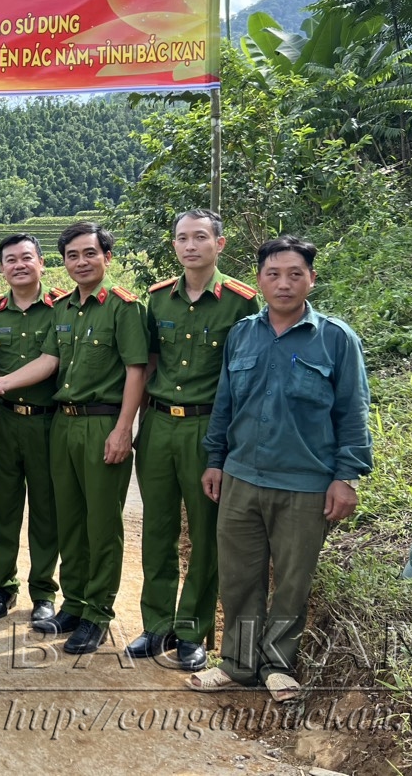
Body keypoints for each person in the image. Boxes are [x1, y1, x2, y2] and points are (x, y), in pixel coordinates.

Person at [191, 235, 371, 702]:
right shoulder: (243, 333)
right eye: (273, 274)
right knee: (239, 576)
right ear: (259, 280)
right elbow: (225, 404)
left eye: (295, 274)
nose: (284, 283)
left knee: (292, 579)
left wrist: (345, 476)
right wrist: (216, 460)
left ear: (311, 278)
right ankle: (238, 664)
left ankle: (276, 664)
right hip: (242, 477)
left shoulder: (335, 338)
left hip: (305, 484)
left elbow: (352, 413)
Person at [0, 221, 147, 654]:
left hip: (100, 421)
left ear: (107, 256)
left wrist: (124, 428)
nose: (82, 262)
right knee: (69, 518)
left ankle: (97, 612)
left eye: (90, 253)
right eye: (74, 255)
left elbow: (137, 370)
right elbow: (49, 360)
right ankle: (76, 602)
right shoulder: (65, 310)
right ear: (64, 261)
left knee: (101, 522)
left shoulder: (124, 308)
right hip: (62, 423)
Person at [128, 210, 260, 673]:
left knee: (205, 532)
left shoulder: (242, 302)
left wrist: (227, 447)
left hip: (209, 428)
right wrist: (133, 424)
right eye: (182, 238)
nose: (190, 246)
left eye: (200, 237)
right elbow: (147, 363)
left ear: (219, 245)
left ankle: (192, 629)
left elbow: (247, 378)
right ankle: (156, 623)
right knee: (157, 528)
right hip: (160, 424)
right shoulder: (157, 299)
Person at [0, 233, 67, 624]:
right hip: (7, 421)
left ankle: (43, 591)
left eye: (26, 258)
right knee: (3, 507)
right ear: (1, 268)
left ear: (41, 263)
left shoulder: (63, 308)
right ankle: (2, 586)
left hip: (48, 421)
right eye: (10, 260)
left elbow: (52, 360)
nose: (19, 265)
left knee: (47, 509)